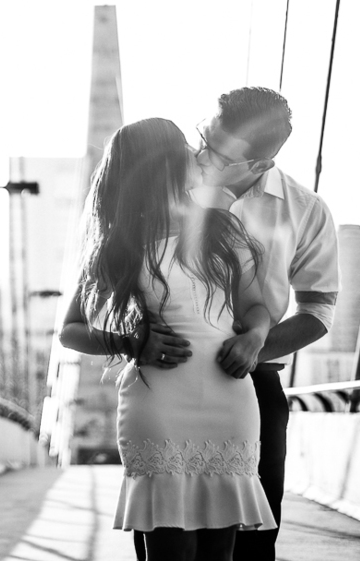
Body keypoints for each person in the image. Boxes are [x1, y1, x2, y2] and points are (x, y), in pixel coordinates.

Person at [60, 117, 278, 561]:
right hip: (158, 405)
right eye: (181, 145)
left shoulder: (224, 228)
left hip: (229, 401)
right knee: (171, 551)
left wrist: (254, 337)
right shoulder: (119, 241)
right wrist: (128, 341)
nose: (193, 153)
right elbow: (71, 331)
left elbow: (257, 308)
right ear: (158, 163)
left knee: (220, 554)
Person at [149, 87, 340, 561]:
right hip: (167, 379)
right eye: (203, 137)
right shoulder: (163, 192)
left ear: (258, 165)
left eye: (216, 152)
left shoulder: (305, 210)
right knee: (165, 532)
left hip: (252, 388)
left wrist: (256, 343)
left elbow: (317, 311)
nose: (199, 153)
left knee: (253, 541)